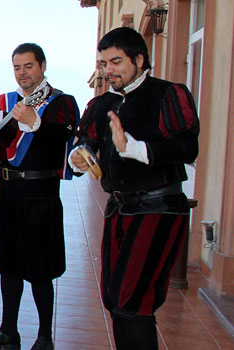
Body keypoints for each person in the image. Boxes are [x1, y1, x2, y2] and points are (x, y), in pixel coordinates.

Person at [69, 27, 199, 350]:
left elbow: (187, 148)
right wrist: (78, 158)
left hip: (158, 208)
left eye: (115, 61)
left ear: (139, 60)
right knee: (115, 301)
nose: (108, 70)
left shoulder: (169, 94)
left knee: (133, 302)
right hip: (119, 209)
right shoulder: (102, 105)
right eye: (103, 63)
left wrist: (135, 148)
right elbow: (85, 143)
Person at [0, 43, 79, 350]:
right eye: (17, 67)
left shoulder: (61, 102)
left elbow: (63, 138)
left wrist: (34, 122)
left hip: (40, 195)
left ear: (43, 65)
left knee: (41, 268)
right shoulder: (5, 101)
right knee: (7, 263)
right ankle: (8, 331)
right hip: (5, 192)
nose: (22, 73)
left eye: (28, 66)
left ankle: (44, 337)